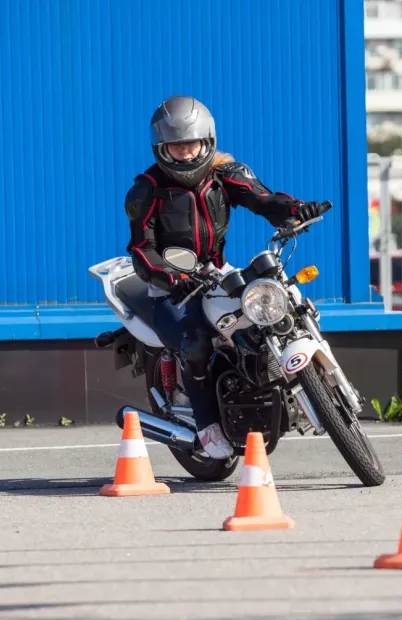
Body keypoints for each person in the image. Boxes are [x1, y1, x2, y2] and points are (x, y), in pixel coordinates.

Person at [124, 95, 324, 460]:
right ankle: (206, 426)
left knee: (276, 305)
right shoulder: (147, 190)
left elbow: (263, 199)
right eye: (176, 146)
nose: (185, 153)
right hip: (169, 284)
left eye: (192, 144)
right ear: (161, 148)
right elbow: (142, 249)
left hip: (216, 270)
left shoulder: (225, 174)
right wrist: (171, 278)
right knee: (195, 342)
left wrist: (296, 209)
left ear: (207, 141)